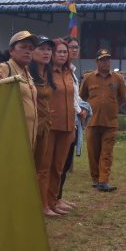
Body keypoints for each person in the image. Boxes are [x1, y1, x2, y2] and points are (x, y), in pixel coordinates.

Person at [79, 50, 126, 192]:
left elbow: (123, 97)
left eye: (108, 59)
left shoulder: (118, 78)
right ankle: (95, 178)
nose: (106, 62)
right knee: (93, 152)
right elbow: (82, 97)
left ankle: (103, 180)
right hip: (92, 121)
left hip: (110, 122)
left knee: (107, 153)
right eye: (103, 60)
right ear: (97, 62)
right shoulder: (88, 78)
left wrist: (112, 107)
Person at [38, 38, 76, 217]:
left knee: (59, 167)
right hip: (51, 126)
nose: (62, 55)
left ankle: (54, 200)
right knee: (45, 167)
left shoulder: (69, 72)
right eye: (58, 51)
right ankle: (42, 204)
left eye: (64, 52)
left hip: (68, 126)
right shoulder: (46, 72)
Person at [58, 36, 87, 204]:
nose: (73, 50)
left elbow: (75, 96)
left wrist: (82, 107)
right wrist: (78, 109)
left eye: (76, 47)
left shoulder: (72, 71)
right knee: (59, 163)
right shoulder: (59, 71)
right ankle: (53, 199)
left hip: (73, 120)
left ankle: (59, 197)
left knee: (66, 162)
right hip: (63, 119)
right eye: (70, 47)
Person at [0, 31, 39, 148]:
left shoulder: (27, 72)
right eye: (23, 47)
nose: (28, 51)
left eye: (31, 48)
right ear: (11, 50)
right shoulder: (4, 69)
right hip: (13, 134)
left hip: (30, 134)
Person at [30, 36, 55, 203]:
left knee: (42, 167)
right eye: (41, 49)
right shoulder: (27, 73)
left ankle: (41, 203)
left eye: (48, 49)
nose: (46, 53)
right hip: (31, 126)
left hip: (45, 126)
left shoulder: (48, 73)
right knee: (29, 168)